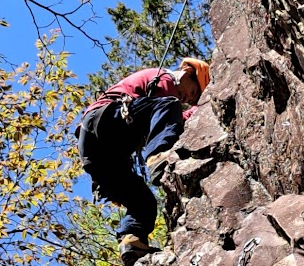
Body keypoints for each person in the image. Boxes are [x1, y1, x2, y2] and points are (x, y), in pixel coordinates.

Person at [76, 58, 210, 266]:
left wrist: (194, 111)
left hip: (97, 152)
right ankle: (159, 155)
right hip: (104, 121)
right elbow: (167, 112)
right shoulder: (165, 78)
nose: (187, 98)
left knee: (143, 201)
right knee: (169, 105)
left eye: (191, 99)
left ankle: (132, 241)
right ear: (187, 73)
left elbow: (167, 118)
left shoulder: (165, 99)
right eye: (192, 91)